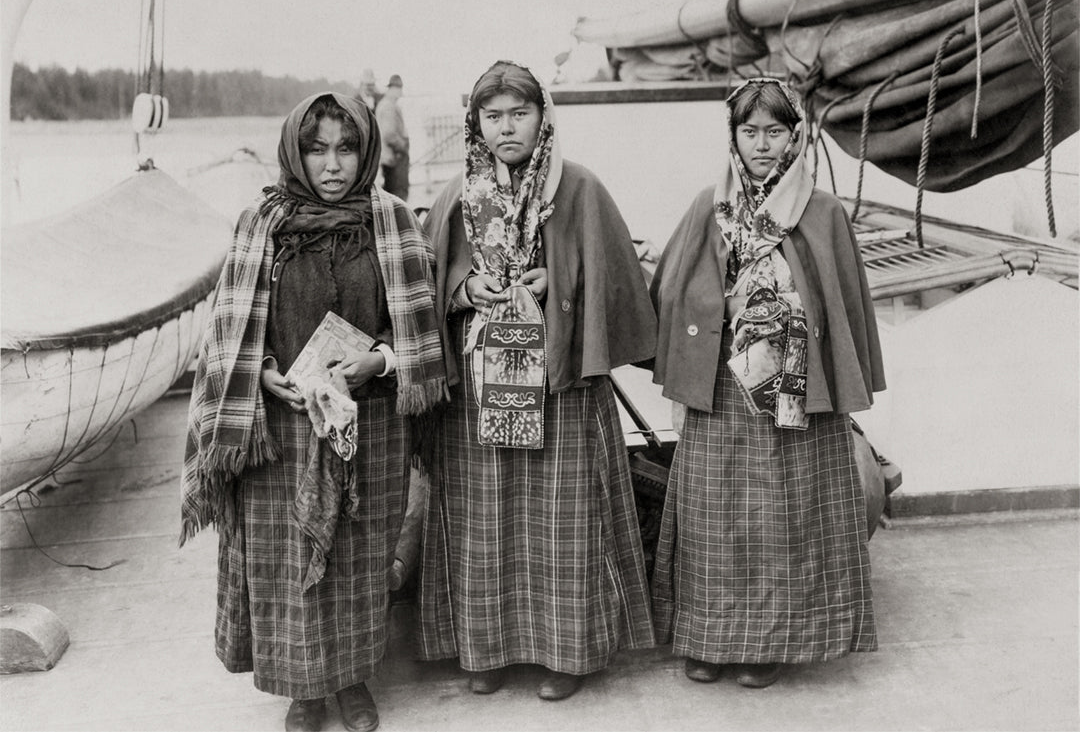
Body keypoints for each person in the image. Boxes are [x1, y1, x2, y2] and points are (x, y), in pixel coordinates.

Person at [179, 92, 448, 732]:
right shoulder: (259, 225)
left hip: (369, 422)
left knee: (358, 555)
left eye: (347, 149)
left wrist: (377, 363)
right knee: (289, 561)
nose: (333, 165)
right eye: (316, 149)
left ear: (367, 153)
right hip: (281, 427)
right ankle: (303, 689)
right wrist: (263, 374)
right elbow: (227, 332)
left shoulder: (392, 222)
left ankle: (353, 681)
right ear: (295, 154)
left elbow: (420, 331)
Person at [417, 60, 656, 701]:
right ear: (476, 124)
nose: (506, 128)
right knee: (481, 518)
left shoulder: (578, 188)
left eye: (518, 114)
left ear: (542, 117)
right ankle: (484, 648)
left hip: (562, 382)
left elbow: (615, 277)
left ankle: (568, 653)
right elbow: (425, 286)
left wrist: (559, 285)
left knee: (565, 515)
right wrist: (468, 288)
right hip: (478, 387)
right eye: (491, 116)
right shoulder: (456, 197)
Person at [649, 77, 886, 689]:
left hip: (793, 384)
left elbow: (842, 304)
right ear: (732, 136)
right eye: (749, 131)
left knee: (781, 510)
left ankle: (769, 641)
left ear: (795, 137)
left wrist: (782, 309)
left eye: (775, 132)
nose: (761, 144)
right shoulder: (711, 205)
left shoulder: (823, 211)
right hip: (721, 381)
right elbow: (673, 290)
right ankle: (708, 638)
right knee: (713, 511)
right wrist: (720, 306)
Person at [375, 74, 410, 201]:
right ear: (393, 89)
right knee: (399, 198)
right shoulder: (389, 106)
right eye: (399, 89)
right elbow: (389, 135)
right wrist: (404, 148)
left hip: (389, 161)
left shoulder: (383, 104)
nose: (400, 93)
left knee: (392, 198)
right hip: (395, 161)